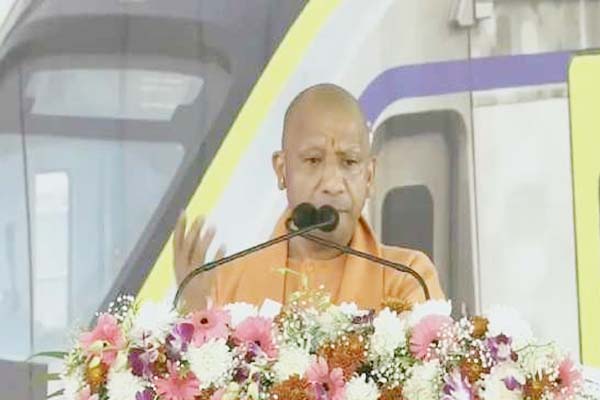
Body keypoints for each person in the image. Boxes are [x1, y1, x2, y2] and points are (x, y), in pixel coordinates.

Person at [173, 83, 445, 311]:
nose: (333, 184)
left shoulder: (407, 278)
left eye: (349, 162)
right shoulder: (227, 283)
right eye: (313, 160)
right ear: (282, 170)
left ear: (369, 177)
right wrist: (196, 312)